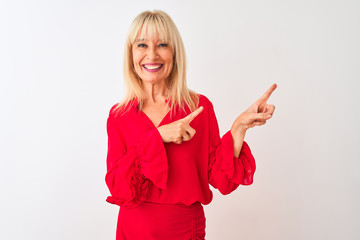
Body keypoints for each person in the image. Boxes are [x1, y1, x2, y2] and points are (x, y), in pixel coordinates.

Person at [105, 10, 276, 240]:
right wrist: (158, 138)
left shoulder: (198, 108)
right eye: (142, 45)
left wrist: (239, 128)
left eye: (162, 44)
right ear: (131, 54)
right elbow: (119, 188)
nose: (152, 54)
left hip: (185, 230)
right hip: (133, 230)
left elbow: (220, 179)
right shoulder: (120, 116)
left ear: (174, 53)